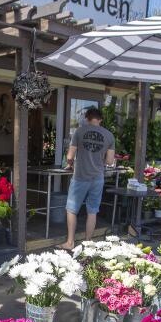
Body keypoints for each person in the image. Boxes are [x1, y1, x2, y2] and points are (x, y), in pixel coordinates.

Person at [59, 107, 115, 250]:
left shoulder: (79, 131)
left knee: (71, 209)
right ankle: (88, 243)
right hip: (97, 178)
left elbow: (70, 156)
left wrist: (70, 164)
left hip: (80, 176)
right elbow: (109, 161)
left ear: (87, 118)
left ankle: (70, 243)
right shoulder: (109, 136)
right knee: (92, 211)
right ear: (100, 119)